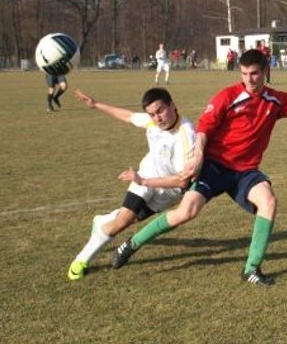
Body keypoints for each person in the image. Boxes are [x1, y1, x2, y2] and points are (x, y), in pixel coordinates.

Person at [110, 49, 287, 285]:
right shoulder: (227, 96)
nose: (250, 79)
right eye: (244, 74)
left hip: (244, 171)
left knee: (268, 200)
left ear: (265, 71)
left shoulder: (275, 101)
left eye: (254, 73)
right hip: (214, 167)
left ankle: (252, 269)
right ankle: (131, 244)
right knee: (186, 212)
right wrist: (199, 152)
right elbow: (204, 128)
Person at [66, 87, 197, 280]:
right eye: (152, 114)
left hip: (169, 191)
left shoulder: (186, 135)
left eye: (160, 111)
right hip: (145, 175)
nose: (157, 118)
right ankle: (81, 260)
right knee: (124, 220)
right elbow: (127, 116)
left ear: (173, 105)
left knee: (130, 219)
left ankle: (102, 221)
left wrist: (144, 181)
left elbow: (182, 180)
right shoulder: (153, 123)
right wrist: (95, 104)